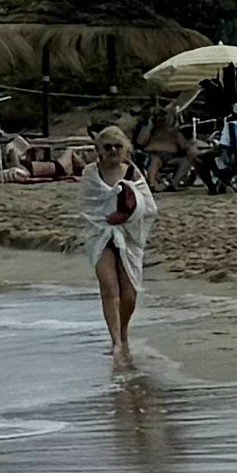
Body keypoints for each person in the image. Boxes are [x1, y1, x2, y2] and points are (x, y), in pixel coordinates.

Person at [81, 136, 158, 382]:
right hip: (99, 233)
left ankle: (123, 331)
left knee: (129, 293)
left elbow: (150, 208)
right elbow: (89, 206)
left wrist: (127, 215)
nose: (113, 150)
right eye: (107, 146)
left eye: (118, 146)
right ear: (98, 150)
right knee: (109, 287)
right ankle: (116, 341)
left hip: (129, 236)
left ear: (126, 149)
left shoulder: (134, 173)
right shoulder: (90, 174)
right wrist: (107, 219)